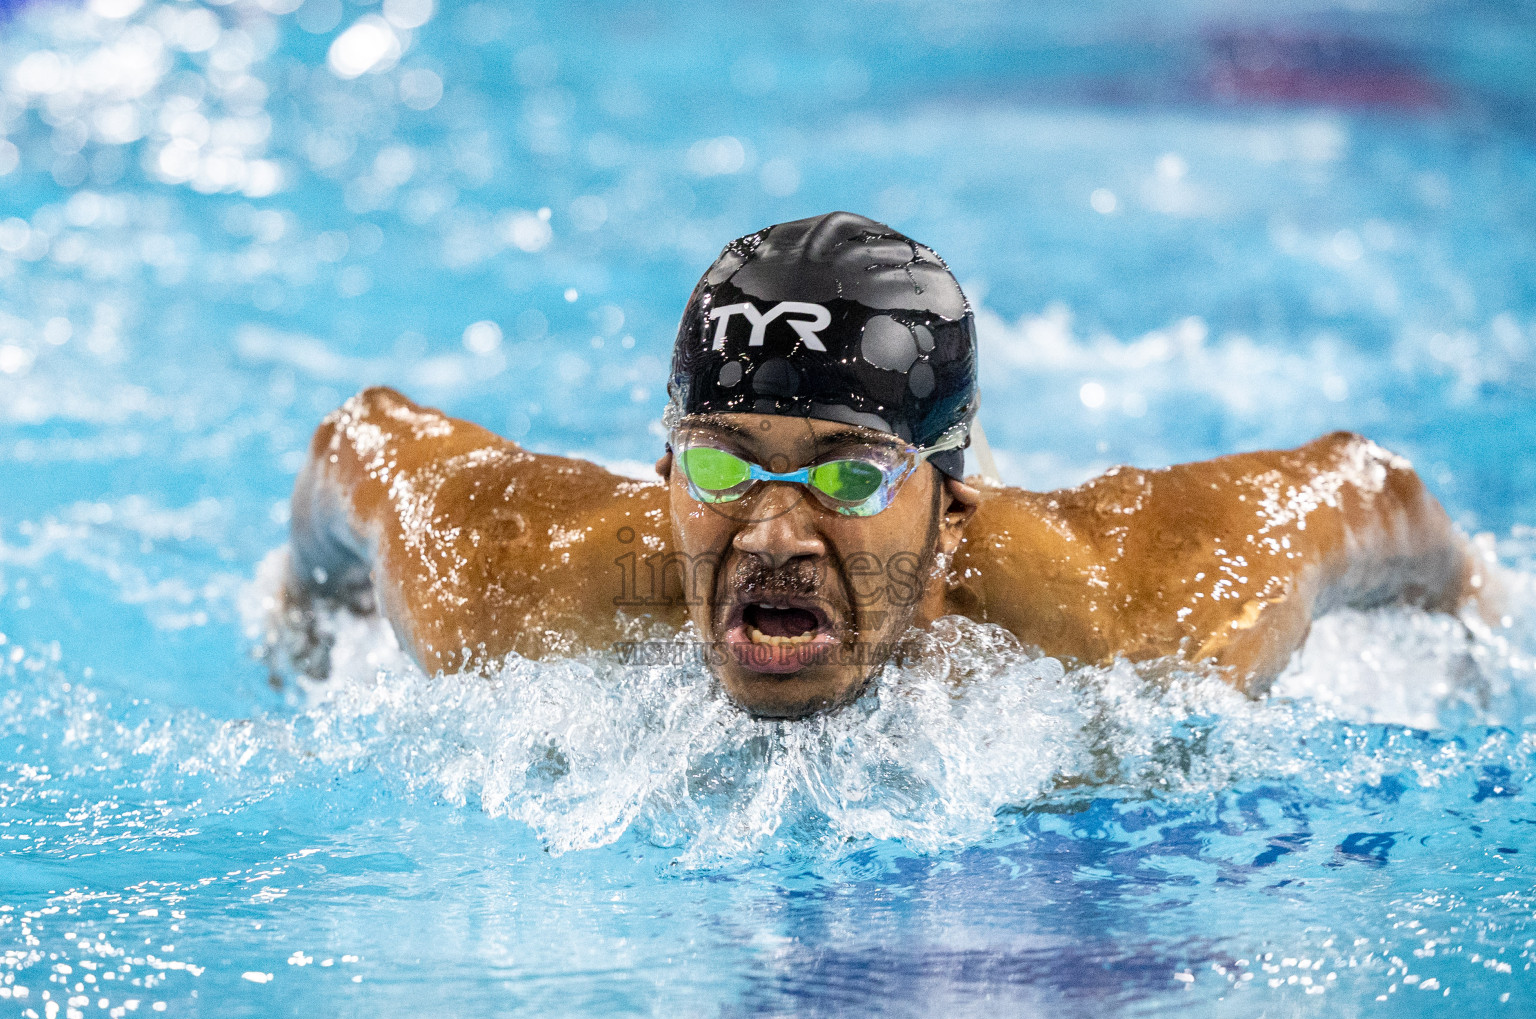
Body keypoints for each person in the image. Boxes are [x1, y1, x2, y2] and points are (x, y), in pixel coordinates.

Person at [276, 211, 1488, 718]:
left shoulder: (1145, 613)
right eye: (720, 471)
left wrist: (1485, 611)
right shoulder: (501, 579)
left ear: (951, 502)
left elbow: (1364, 485)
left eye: (847, 477)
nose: (770, 535)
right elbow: (361, 440)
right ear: (662, 470)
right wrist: (301, 607)